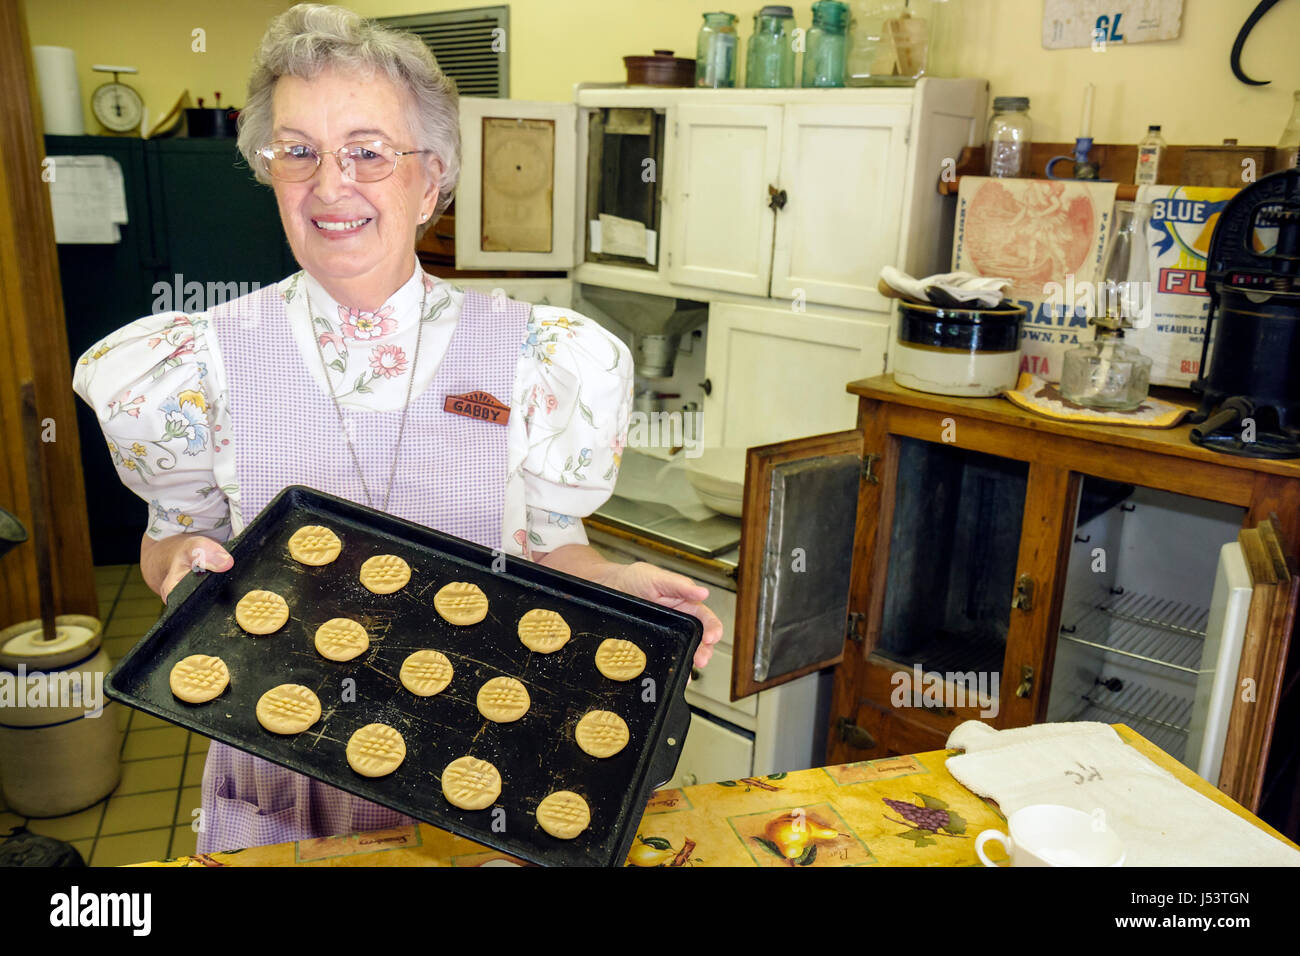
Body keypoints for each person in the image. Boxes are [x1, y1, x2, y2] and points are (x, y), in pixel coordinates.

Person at [73, 2, 721, 854]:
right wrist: (181, 566)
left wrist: (617, 588)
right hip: (283, 752)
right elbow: (173, 541)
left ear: (433, 180)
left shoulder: (540, 358)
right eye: (297, 151)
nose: (330, 185)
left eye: (369, 153)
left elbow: (552, 547)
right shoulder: (191, 367)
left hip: (482, 747)